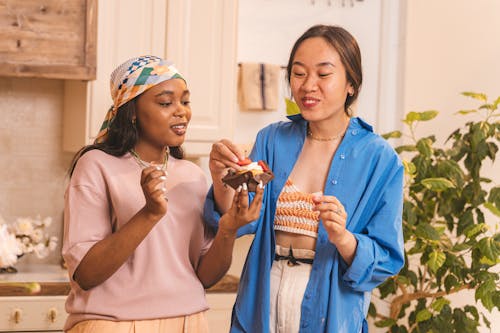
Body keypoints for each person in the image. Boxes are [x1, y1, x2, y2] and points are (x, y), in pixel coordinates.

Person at [205, 25, 405, 332]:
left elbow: (387, 260)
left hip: (331, 308)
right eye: (298, 74)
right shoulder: (272, 140)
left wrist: (344, 239)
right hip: (262, 293)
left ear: (351, 83)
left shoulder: (380, 160)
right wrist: (221, 178)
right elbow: (242, 219)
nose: (308, 85)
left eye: (323, 75)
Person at [62, 55, 263, 333]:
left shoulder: (192, 175)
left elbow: (204, 277)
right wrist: (150, 213)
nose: (181, 111)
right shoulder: (96, 165)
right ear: (131, 110)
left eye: (185, 101)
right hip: (113, 324)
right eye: (166, 103)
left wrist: (228, 229)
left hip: (189, 323)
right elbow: (86, 274)